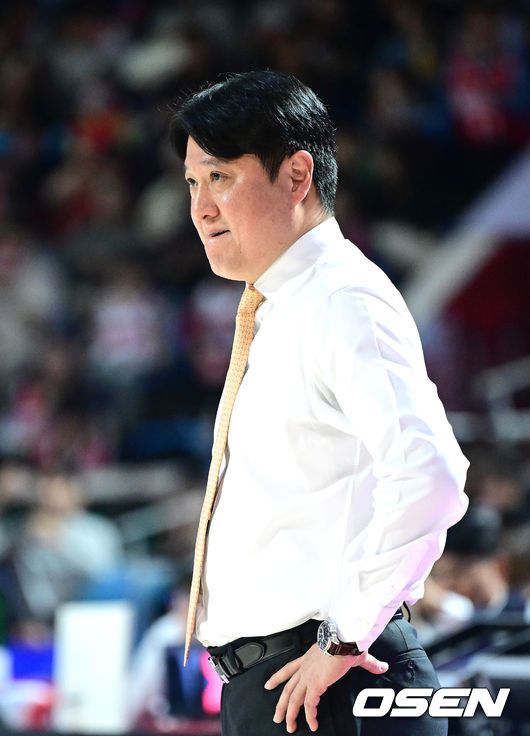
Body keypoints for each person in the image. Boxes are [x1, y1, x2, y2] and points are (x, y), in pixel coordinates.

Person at [169, 70, 469, 736]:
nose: (201, 208)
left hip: (334, 681)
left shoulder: (342, 298)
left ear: (297, 175)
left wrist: (343, 636)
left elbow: (431, 474)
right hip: (284, 686)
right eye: (192, 183)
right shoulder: (283, 307)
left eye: (219, 177)